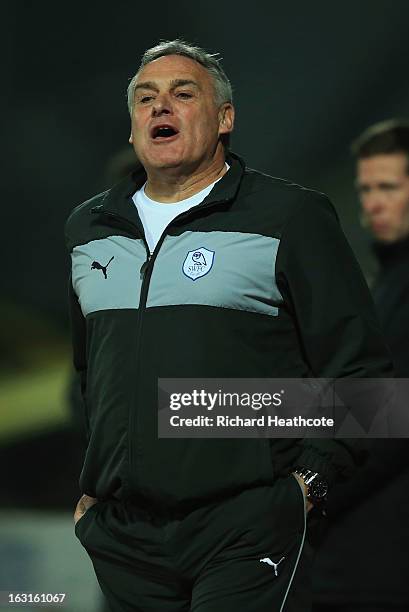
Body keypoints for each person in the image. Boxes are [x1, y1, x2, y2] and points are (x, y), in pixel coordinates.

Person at [65, 40, 392, 612]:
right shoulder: (88, 228)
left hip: (244, 531)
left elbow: (362, 379)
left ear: (224, 118)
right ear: (133, 124)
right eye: (146, 97)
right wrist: (95, 492)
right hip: (125, 540)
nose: (160, 107)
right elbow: (92, 373)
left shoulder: (291, 217)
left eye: (182, 93)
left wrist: (305, 487)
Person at [312, 119, 409, 612]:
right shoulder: (385, 282)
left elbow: (390, 417)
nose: (372, 202)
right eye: (365, 188)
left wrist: (310, 492)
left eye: (388, 187)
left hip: (382, 560)